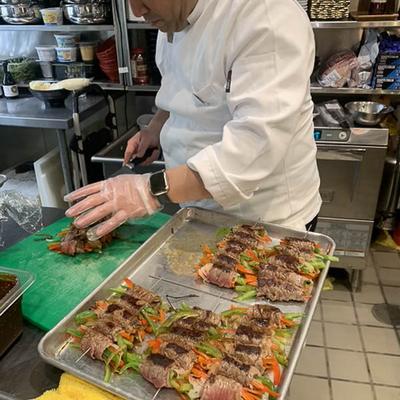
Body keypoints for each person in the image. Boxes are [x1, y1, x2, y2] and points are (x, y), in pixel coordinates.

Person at [65, 0, 321, 241]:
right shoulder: (172, 17)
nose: (137, 9)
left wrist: (148, 189)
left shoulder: (266, 17)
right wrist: (155, 128)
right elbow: (184, 90)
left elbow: (254, 148)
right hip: (197, 210)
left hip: (265, 220)